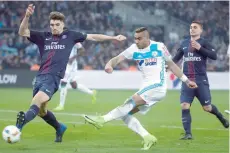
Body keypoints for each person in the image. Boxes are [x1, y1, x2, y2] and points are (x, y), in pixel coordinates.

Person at [16, 4, 126, 142]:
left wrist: (113, 37)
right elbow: (22, 32)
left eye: (57, 24)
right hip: (39, 77)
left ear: (63, 24)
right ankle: (59, 128)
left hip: (53, 78)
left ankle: (20, 124)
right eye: (52, 24)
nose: (54, 27)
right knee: (42, 111)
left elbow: (93, 37)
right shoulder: (43, 37)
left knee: (36, 102)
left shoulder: (71, 36)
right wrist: (27, 16)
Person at [83, 27, 197, 150]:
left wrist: (186, 80)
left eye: (139, 38)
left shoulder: (159, 47)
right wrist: (109, 65)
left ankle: (102, 119)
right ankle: (147, 137)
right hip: (146, 88)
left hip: (157, 86)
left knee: (131, 101)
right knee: (125, 115)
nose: (136, 41)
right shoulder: (133, 49)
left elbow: (172, 65)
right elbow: (116, 59)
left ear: (147, 38)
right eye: (135, 38)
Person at [172, 21, 229, 140]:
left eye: (195, 27)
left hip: (201, 80)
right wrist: (167, 64)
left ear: (200, 30)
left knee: (207, 108)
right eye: (191, 27)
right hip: (187, 80)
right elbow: (175, 59)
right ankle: (188, 134)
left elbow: (214, 56)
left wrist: (200, 48)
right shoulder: (184, 43)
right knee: (184, 105)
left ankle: (221, 117)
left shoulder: (204, 43)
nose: (192, 29)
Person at [53, 43, 97, 111]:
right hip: (62, 63)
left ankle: (61, 105)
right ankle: (92, 92)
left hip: (70, 64)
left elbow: (82, 50)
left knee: (63, 82)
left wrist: (73, 58)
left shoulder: (73, 38)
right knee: (74, 85)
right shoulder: (58, 40)